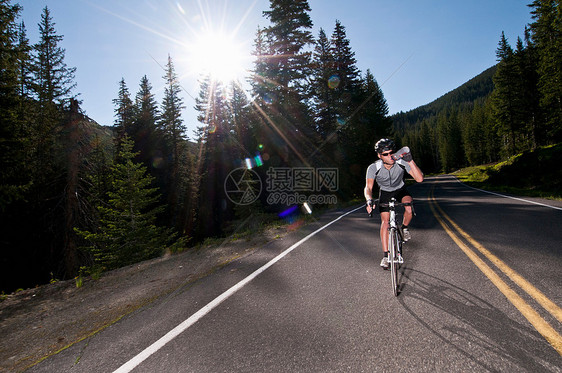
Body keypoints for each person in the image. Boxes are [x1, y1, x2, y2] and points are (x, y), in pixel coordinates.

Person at [364, 138, 424, 269]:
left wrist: (410, 161)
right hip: (385, 193)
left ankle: (404, 228)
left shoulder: (401, 162)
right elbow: (368, 187)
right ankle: (386, 256)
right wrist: (369, 199)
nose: (390, 156)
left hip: (400, 190)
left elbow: (419, 179)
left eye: (391, 152)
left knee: (409, 207)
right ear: (379, 156)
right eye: (385, 154)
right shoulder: (374, 167)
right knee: (385, 222)